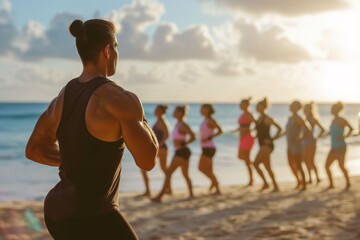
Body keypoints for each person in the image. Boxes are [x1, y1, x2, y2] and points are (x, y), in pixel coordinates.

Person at [25, 19, 158, 240]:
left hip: (56, 213)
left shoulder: (62, 97)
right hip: (93, 214)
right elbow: (148, 160)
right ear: (107, 50)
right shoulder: (120, 99)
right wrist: (141, 117)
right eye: (116, 46)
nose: (117, 53)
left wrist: (77, 159)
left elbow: (34, 149)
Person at [152, 105, 196, 202]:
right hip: (181, 152)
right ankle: (192, 195)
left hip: (182, 152)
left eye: (175, 111)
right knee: (185, 175)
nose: (173, 113)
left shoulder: (183, 124)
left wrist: (185, 142)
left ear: (180, 113)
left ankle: (160, 196)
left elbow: (193, 136)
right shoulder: (178, 124)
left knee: (168, 173)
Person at [140, 104, 171, 197]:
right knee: (145, 169)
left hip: (162, 149)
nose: (155, 111)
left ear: (161, 111)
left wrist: (158, 145)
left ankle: (167, 189)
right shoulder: (158, 121)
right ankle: (149, 190)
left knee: (164, 169)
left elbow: (167, 135)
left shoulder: (162, 122)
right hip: (159, 148)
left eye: (157, 109)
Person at [253, 98, 282, 192]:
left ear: (263, 107)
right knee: (267, 167)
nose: (256, 108)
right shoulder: (259, 119)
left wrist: (272, 139)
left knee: (255, 163)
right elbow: (260, 132)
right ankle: (275, 186)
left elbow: (279, 128)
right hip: (262, 145)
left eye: (258, 106)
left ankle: (266, 183)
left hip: (267, 145)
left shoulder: (267, 118)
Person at [325, 102, 353, 189]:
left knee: (341, 166)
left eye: (333, 109)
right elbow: (332, 132)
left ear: (337, 110)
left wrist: (344, 136)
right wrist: (326, 134)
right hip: (333, 147)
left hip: (341, 147)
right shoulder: (333, 121)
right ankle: (331, 184)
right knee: (326, 166)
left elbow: (351, 129)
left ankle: (348, 182)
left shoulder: (342, 120)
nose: (331, 110)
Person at [198, 104, 223, 194]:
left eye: (202, 108)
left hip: (209, 148)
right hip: (206, 147)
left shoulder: (210, 120)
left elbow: (220, 130)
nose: (200, 110)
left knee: (201, 168)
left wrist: (209, 138)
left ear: (208, 110)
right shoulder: (205, 120)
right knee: (209, 170)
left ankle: (216, 183)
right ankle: (216, 187)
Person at [286, 101, 309, 191]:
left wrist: (301, 138)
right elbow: (288, 131)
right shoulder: (290, 118)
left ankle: (304, 184)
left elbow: (307, 128)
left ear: (297, 107)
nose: (291, 107)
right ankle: (299, 181)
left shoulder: (299, 118)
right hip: (289, 145)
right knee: (291, 164)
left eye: (293, 106)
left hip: (297, 145)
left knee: (299, 165)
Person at [233, 98, 256, 186]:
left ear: (246, 105)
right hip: (242, 139)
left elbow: (257, 124)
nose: (240, 106)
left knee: (246, 159)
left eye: (242, 104)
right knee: (241, 157)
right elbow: (242, 126)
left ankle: (251, 179)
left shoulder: (249, 114)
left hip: (247, 138)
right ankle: (253, 164)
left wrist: (249, 130)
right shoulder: (242, 115)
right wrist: (236, 130)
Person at [302, 102, 325, 184]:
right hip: (305, 142)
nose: (304, 111)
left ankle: (317, 177)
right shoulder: (304, 119)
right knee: (305, 160)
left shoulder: (313, 119)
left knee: (311, 160)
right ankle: (310, 178)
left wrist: (317, 137)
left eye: (305, 109)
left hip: (311, 142)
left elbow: (323, 129)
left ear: (309, 110)